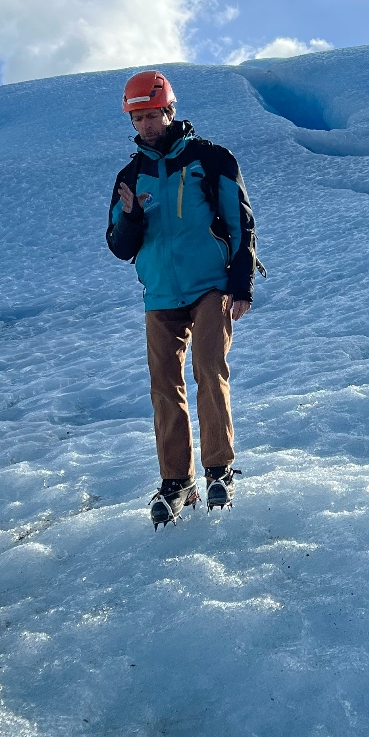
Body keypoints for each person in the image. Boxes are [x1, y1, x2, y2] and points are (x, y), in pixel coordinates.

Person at [106, 69, 261, 528]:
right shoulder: (131, 176)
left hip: (210, 285)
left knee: (209, 371)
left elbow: (241, 221)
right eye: (138, 118)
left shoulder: (210, 159)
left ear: (169, 110)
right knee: (164, 388)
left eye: (153, 115)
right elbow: (118, 245)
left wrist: (241, 283)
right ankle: (177, 481)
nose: (147, 125)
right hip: (160, 295)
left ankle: (219, 470)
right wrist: (131, 217)